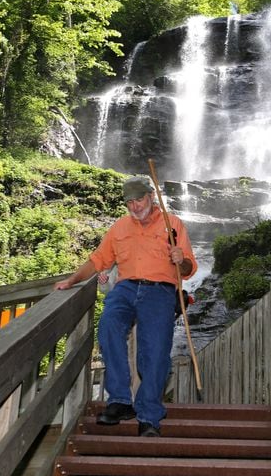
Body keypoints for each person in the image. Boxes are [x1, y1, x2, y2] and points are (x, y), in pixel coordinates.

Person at [54, 175, 197, 437]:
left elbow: (187, 269)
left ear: (151, 197)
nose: (134, 206)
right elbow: (98, 261)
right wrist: (72, 280)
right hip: (126, 287)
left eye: (139, 199)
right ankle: (120, 400)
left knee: (154, 351)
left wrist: (180, 259)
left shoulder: (172, 224)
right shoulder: (119, 228)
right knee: (108, 328)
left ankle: (149, 415)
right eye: (129, 202)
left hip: (160, 290)